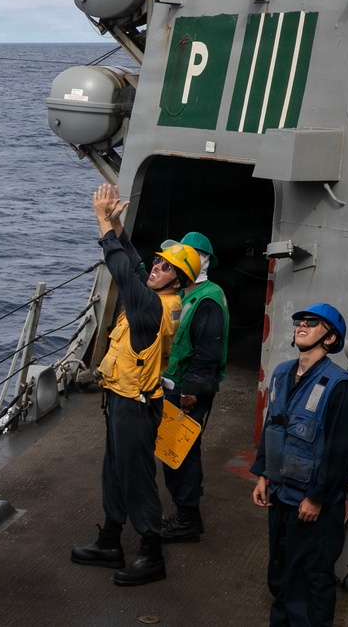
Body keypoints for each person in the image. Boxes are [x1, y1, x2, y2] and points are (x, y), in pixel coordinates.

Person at [70, 183, 199, 586]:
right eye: (159, 263)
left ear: (176, 282)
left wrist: (102, 224)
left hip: (135, 406)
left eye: (165, 267)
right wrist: (119, 226)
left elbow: (123, 271)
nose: (155, 268)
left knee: (137, 478)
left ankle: (151, 553)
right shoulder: (160, 296)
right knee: (115, 470)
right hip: (123, 398)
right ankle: (110, 540)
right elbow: (137, 263)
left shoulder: (149, 306)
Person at [251, 303, 348, 627]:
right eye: (300, 320)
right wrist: (262, 476)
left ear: (329, 339)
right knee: (281, 571)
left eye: (313, 323)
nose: (302, 325)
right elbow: (273, 426)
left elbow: (339, 450)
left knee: (311, 579)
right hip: (281, 494)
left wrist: (317, 497)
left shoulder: (339, 386)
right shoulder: (282, 373)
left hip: (314, 504)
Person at [158, 232, 229, 543]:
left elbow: (207, 352)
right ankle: (185, 514)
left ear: (202, 260)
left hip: (188, 391)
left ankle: (188, 520)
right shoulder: (189, 292)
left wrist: (191, 392)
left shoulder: (208, 298)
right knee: (175, 451)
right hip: (177, 386)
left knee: (181, 452)